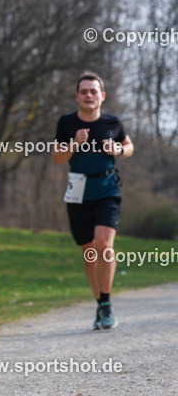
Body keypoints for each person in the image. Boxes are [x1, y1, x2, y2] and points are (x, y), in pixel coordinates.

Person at [52, 71, 133, 329]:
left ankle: (106, 304)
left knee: (104, 244)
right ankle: (100, 303)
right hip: (78, 191)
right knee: (88, 252)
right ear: (77, 96)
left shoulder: (113, 122)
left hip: (107, 188)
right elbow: (57, 158)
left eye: (93, 91)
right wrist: (74, 144)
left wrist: (118, 149)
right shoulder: (67, 123)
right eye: (84, 92)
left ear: (102, 95)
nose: (89, 95)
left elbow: (129, 146)